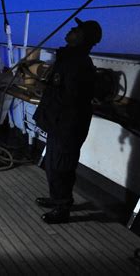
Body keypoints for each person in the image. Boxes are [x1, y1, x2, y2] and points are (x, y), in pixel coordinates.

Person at [32, 17, 102, 224]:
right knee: (53, 164)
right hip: (59, 122)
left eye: (76, 29)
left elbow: (72, 97)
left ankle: (62, 208)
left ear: (82, 38)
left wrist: (48, 91)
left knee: (62, 166)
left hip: (68, 125)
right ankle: (57, 199)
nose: (71, 29)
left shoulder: (78, 63)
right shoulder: (69, 58)